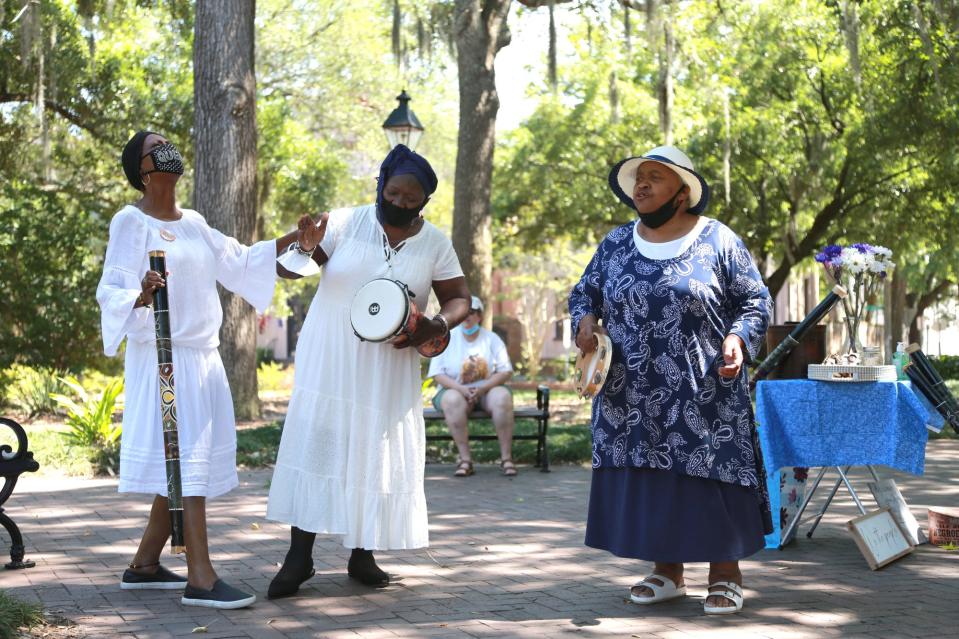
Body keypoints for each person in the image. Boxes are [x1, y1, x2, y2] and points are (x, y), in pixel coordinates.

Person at [97, 131, 312, 609]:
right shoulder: (131, 222)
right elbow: (110, 287)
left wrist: (297, 240)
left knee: (188, 461)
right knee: (187, 466)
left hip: (202, 359)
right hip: (163, 355)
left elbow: (243, 259)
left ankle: (145, 565)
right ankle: (201, 577)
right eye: (158, 146)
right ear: (143, 168)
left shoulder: (193, 222)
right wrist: (140, 293)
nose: (170, 148)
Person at [568, 145, 772, 615]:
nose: (641, 185)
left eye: (654, 177)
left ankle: (725, 573)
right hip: (630, 391)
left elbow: (755, 301)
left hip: (704, 387)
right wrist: (583, 320)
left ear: (682, 193)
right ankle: (667, 572)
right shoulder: (616, 243)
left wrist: (739, 339)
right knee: (651, 478)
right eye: (638, 178)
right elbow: (585, 292)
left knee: (711, 473)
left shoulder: (718, 240)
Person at [265, 144, 470, 599]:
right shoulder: (343, 222)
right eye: (392, 191)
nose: (398, 202)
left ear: (423, 201)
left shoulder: (434, 242)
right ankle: (300, 556)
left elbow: (460, 298)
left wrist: (438, 323)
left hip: (390, 362)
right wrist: (306, 245)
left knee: (374, 450)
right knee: (321, 442)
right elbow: (287, 271)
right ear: (380, 185)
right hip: (333, 354)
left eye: (410, 198)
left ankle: (363, 554)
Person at [427, 295, 517, 477]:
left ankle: (506, 458)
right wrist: (461, 389)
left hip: (488, 389)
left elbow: (505, 371)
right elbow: (437, 373)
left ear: (480, 316)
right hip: (454, 390)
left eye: (473, 312)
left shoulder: (492, 339)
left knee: (502, 398)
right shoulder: (446, 338)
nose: (468, 316)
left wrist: (483, 388)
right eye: (464, 313)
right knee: (452, 400)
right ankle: (465, 460)